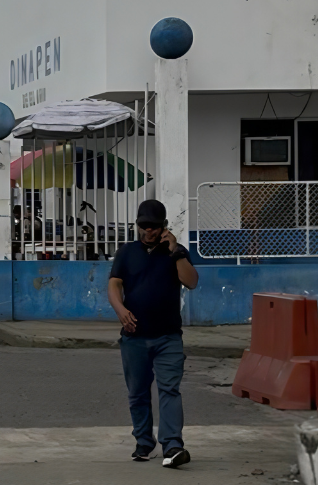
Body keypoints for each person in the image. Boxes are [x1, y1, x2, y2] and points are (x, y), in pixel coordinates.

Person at [107, 199, 199, 469]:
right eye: (144, 226)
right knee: (137, 392)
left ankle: (172, 445)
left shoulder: (176, 252)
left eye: (154, 226)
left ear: (163, 227)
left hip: (168, 336)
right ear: (137, 225)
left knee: (169, 389)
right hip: (134, 337)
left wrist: (175, 252)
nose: (149, 231)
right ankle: (144, 442)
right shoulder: (127, 252)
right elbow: (114, 285)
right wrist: (120, 309)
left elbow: (191, 281)